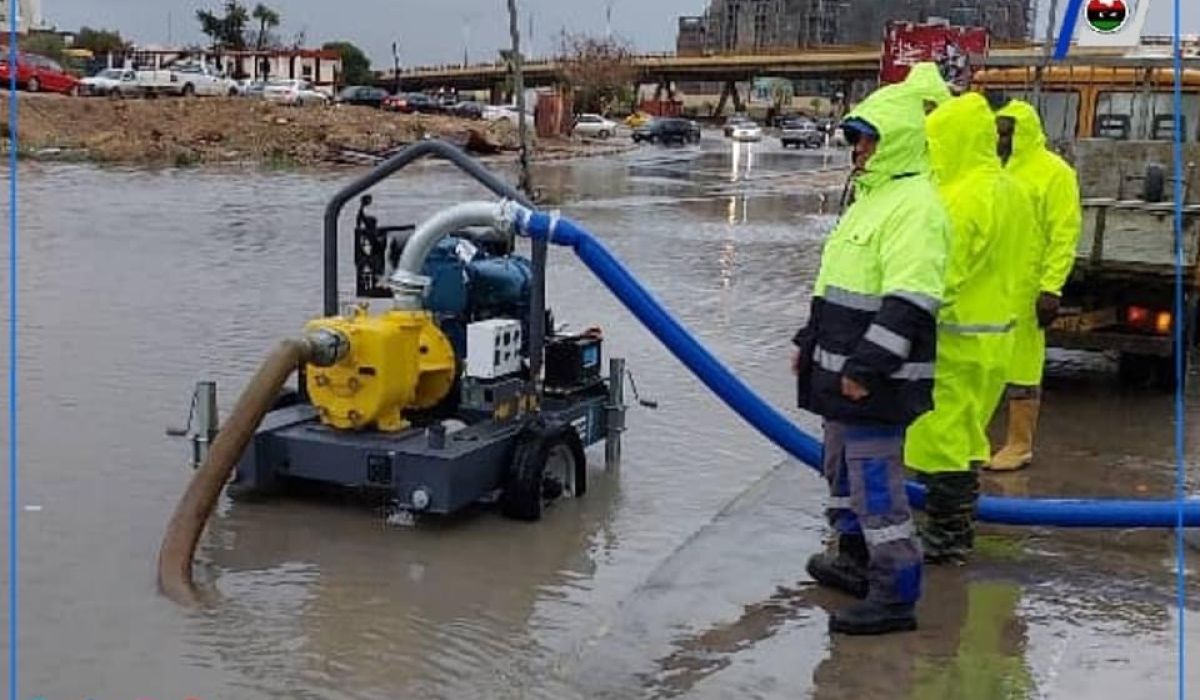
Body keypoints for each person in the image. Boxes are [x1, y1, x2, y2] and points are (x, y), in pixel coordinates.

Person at [793, 84, 949, 635]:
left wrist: (864, 369)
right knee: (839, 473)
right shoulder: (872, 200)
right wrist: (806, 343)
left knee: (877, 490)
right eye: (854, 139)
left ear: (896, 143)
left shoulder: (917, 208)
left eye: (864, 140)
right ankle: (852, 560)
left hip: (874, 385)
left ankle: (894, 596)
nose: (855, 149)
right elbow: (837, 285)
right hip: (840, 380)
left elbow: (911, 301)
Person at [903, 93, 1039, 564]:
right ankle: (951, 530)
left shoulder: (960, 198)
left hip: (954, 337)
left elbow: (945, 273)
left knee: (942, 441)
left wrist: (904, 325)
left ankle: (946, 536)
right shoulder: (1012, 190)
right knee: (965, 438)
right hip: (997, 337)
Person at [986, 99, 1083, 472]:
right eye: (998, 133)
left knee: (1023, 367)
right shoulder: (993, 168)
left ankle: (1019, 443)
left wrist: (1051, 287)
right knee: (984, 364)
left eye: (1007, 133)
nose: (1001, 140)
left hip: (1027, 287)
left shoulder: (1053, 173)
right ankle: (976, 438)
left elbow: (1064, 233)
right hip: (990, 283)